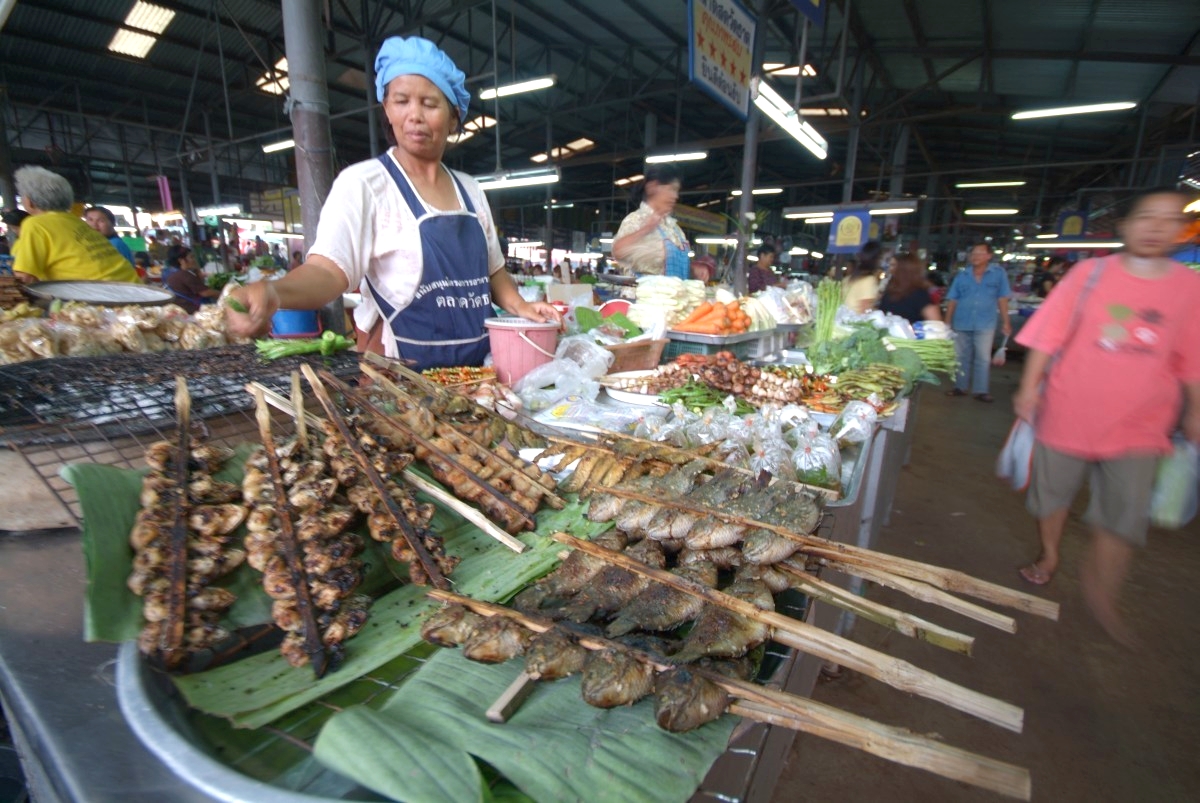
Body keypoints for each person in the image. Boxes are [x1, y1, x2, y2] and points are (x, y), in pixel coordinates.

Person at [225, 36, 558, 368]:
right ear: (386, 107)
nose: (414, 115)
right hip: (400, 378)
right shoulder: (365, 185)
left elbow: (493, 271)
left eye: (429, 104)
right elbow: (328, 271)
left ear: (454, 116)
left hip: (478, 375)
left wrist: (520, 307)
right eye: (401, 101)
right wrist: (275, 292)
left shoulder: (471, 190)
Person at [1012, 188, 1200, 646]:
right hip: (1068, 410)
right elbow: (1048, 336)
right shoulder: (1088, 275)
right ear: (1125, 225)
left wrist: (1195, 411)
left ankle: (1103, 593)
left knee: (1123, 517)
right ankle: (1050, 555)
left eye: (1168, 219)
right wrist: (1027, 387)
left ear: (1182, 231)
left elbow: (1192, 357)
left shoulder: (1189, 288)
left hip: (1143, 424)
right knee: (1051, 497)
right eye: (1146, 217)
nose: (1156, 227)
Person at [9, 166, 138, 284]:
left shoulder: (35, 224)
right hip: (135, 292)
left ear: (29, 202)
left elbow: (24, 277)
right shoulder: (76, 222)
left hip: (102, 301)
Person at [944, 242, 1011, 402]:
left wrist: (1006, 322)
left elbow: (1002, 299)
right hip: (961, 321)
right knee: (961, 357)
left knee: (983, 358)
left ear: (989, 256)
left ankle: (981, 391)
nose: (975, 257)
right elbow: (952, 300)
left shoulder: (998, 274)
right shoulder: (962, 276)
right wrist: (946, 322)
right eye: (973, 253)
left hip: (985, 323)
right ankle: (960, 387)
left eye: (980, 253)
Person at [612, 163, 690, 278]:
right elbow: (617, 252)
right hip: (642, 294)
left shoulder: (675, 229)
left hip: (672, 294)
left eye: (677, 191)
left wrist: (695, 269)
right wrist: (647, 228)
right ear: (652, 187)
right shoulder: (636, 220)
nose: (676, 196)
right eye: (671, 189)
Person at [877, 253, 942, 324]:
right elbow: (937, 324)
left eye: (894, 265)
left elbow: (936, 323)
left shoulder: (919, 295)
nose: (890, 269)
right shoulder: (890, 291)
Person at [164, 247, 219, 313]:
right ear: (181, 260)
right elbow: (206, 293)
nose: (194, 260)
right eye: (191, 257)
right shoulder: (184, 275)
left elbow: (199, 285)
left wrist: (197, 270)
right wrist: (224, 294)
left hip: (180, 308)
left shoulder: (169, 272)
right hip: (190, 311)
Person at [843, 240, 883, 314]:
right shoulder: (869, 280)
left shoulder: (849, 278)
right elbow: (865, 311)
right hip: (854, 323)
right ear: (876, 259)